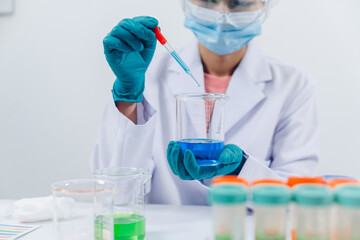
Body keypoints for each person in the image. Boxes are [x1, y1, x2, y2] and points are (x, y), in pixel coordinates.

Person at [91, 0, 319, 205]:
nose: (222, 13)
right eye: (209, 0)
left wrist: (241, 169)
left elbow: (297, 198)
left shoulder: (294, 86)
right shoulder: (148, 74)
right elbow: (115, 194)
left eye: (239, 2)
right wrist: (128, 98)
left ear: (265, 5)